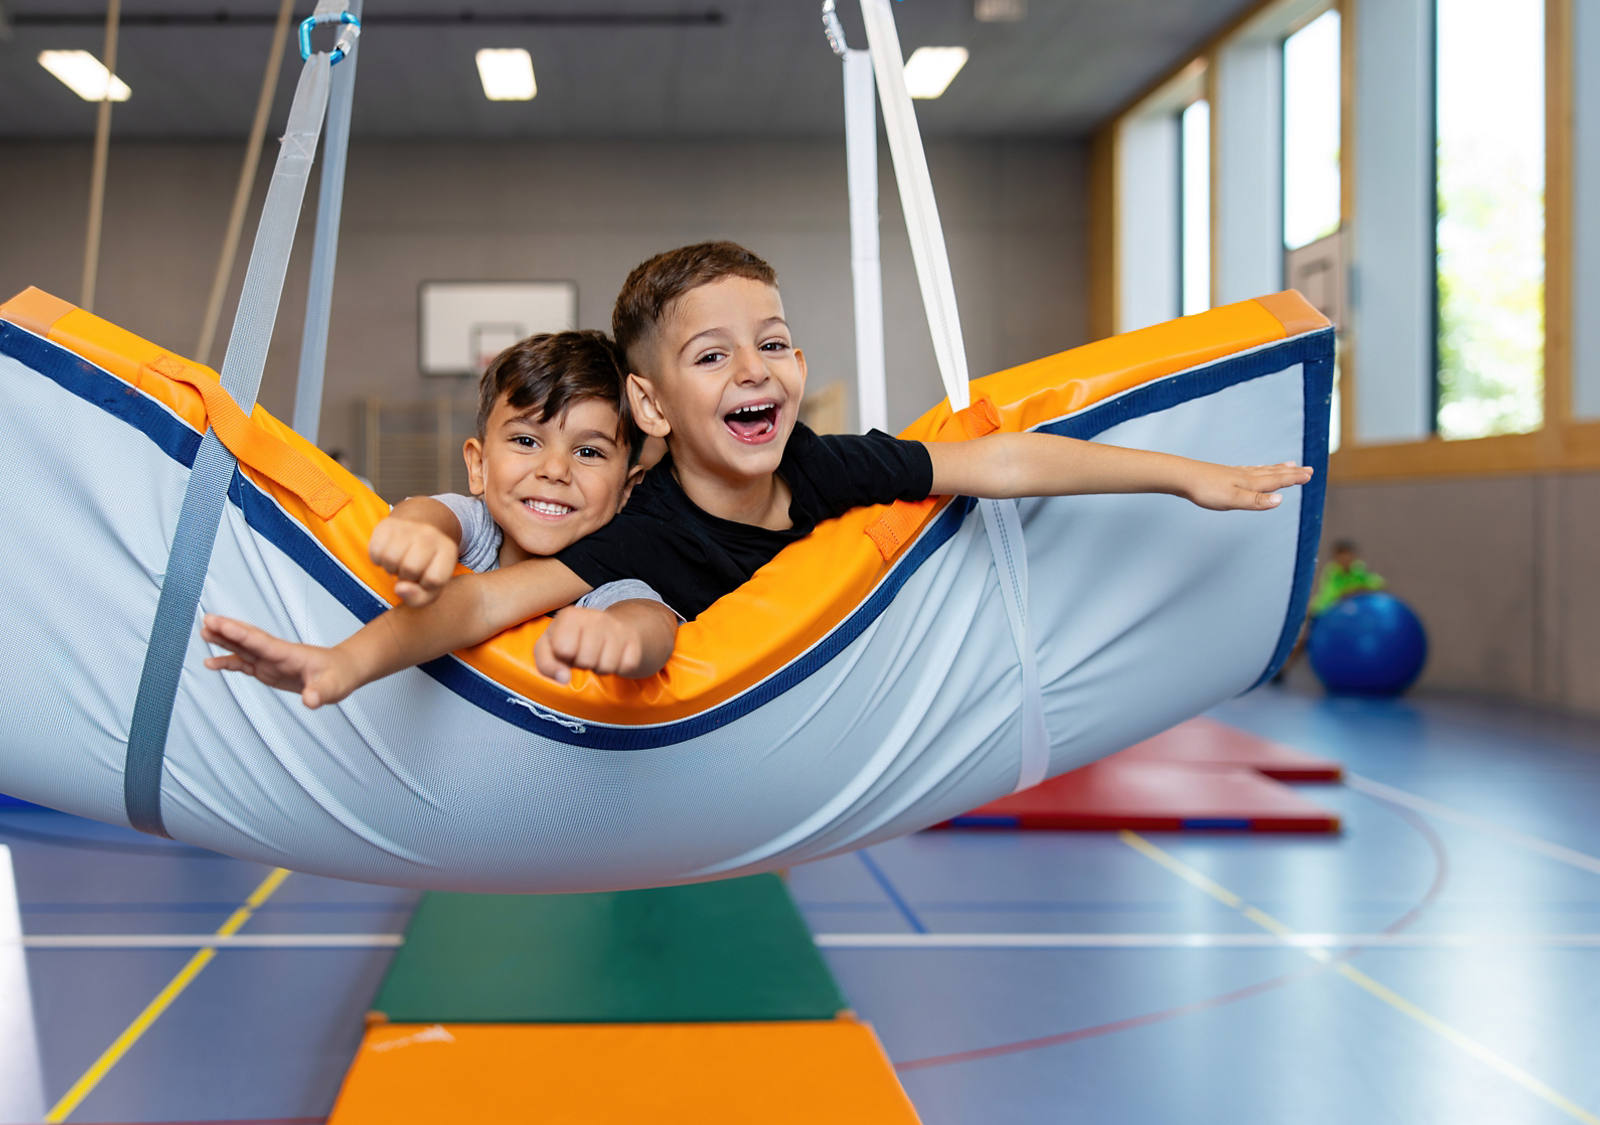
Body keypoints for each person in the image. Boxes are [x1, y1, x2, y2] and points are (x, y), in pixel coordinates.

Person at [205, 240, 1313, 706]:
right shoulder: (635, 532)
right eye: (710, 354)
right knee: (621, 614)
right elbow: (484, 603)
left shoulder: (831, 466)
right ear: (651, 407)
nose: (755, 369)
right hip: (688, 693)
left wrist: (1187, 477)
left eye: (773, 342)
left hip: (818, 698)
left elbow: (1001, 459)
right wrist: (339, 664)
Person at [202, 330, 680, 704]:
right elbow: (433, 515)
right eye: (526, 441)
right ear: (478, 465)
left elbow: (648, 617)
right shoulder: (478, 527)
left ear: (627, 491)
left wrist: (622, 637)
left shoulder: (605, 580)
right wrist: (418, 533)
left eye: (588, 451)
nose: (554, 470)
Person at [1308, 539, 1385, 617]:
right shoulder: (1332, 572)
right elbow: (1330, 594)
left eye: (1348, 556)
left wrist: (1360, 589)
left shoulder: (1358, 570)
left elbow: (1377, 583)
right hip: (1331, 612)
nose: (1345, 560)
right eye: (1341, 557)